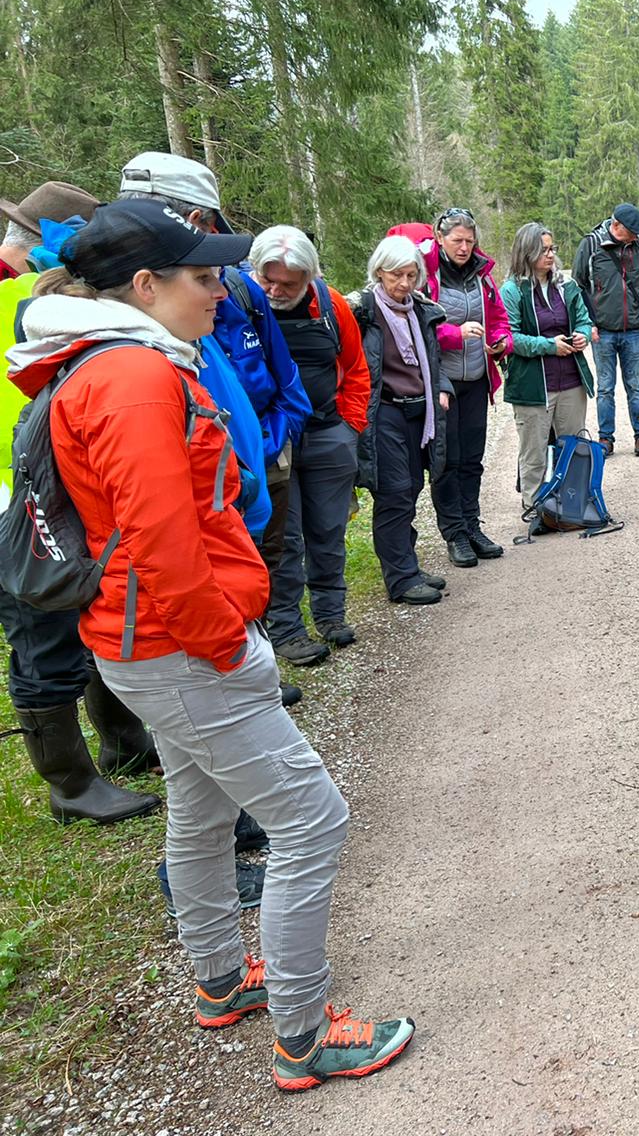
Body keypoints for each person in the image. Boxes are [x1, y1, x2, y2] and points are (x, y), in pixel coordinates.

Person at [7, 199, 413, 1090]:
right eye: (202, 277)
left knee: (200, 812)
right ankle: (305, 1035)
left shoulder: (104, 362)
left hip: (145, 643)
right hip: (181, 647)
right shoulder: (133, 378)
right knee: (313, 819)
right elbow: (163, 537)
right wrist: (227, 644)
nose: (221, 293)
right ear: (144, 286)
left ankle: (222, 981)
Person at [0, 185, 160, 825]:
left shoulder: (46, 298)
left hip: (62, 488)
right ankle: (69, 784)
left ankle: (123, 741)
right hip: (20, 502)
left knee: (89, 611)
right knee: (42, 633)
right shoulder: (34, 301)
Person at [120, 152, 312, 643]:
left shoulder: (238, 292)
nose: (215, 288)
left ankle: (267, 642)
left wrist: (268, 445)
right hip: (206, 491)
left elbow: (286, 381)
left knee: (268, 560)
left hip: (259, 465)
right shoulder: (129, 323)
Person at [249, 226, 371, 665]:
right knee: (283, 539)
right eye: (269, 280)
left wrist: (349, 427)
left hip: (328, 434)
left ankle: (331, 614)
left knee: (329, 530)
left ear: (310, 278)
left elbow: (355, 367)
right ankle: (287, 629)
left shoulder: (330, 305)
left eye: (289, 283)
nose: (277, 291)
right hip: (271, 441)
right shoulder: (241, 305)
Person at [349, 236, 454, 606]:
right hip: (383, 412)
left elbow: (433, 359)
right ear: (379, 271)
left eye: (411, 275)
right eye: (396, 275)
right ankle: (402, 579)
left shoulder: (420, 310)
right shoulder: (362, 310)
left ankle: (407, 565)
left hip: (419, 412)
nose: (404, 283)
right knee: (393, 493)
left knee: (411, 488)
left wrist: (441, 388)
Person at [409, 210, 509, 567]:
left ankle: (472, 526)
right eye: (457, 241)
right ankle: (455, 534)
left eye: (469, 241)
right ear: (440, 238)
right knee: (447, 460)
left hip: (477, 378)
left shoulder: (483, 274)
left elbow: (498, 318)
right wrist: (455, 333)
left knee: (471, 459)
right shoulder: (424, 274)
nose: (464, 248)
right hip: (442, 382)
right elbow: (416, 325)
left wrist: (501, 340)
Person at [499, 222, 595, 517]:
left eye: (553, 249)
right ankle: (535, 507)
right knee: (534, 452)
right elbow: (510, 338)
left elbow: (584, 319)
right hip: (531, 385)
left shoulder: (566, 285)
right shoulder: (512, 290)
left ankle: (572, 505)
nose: (550, 255)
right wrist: (549, 346)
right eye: (543, 250)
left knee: (574, 448)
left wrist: (582, 333)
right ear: (526, 252)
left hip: (571, 381)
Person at [573, 203, 639, 458]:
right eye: (631, 233)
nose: (635, 238)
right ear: (616, 225)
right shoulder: (590, 244)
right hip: (603, 331)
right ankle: (605, 439)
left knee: (635, 385)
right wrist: (588, 323)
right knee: (605, 388)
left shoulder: (637, 245)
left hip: (633, 328)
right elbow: (577, 286)